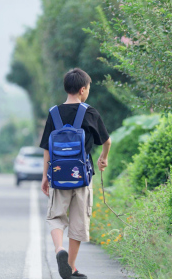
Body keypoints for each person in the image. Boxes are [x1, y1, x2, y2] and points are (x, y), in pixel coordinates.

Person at [40, 68, 111, 279]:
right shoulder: (90, 112)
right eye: (88, 89)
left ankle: (58, 250)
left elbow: (47, 148)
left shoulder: (54, 113)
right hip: (82, 176)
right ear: (82, 89)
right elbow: (106, 141)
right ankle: (70, 267)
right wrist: (103, 158)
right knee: (79, 222)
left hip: (59, 174)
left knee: (55, 217)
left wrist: (45, 176)